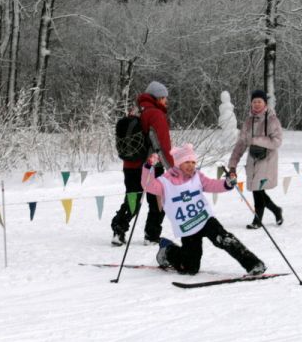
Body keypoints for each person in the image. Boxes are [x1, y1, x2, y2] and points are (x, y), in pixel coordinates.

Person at [142, 145, 266, 276]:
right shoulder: (165, 181)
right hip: (187, 227)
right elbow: (148, 185)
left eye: (193, 162)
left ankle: (254, 264)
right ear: (178, 163)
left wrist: (227, 183)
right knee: (190, 268)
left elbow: (212, 184)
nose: (191, 165)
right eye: (187, 162)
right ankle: (167, 251)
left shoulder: (197, 176)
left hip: (205, 218)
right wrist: (148, 166)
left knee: (225, 239)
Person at [111, 81, 172, 246]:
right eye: (164, 97)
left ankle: (118, 229)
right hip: (151, 166)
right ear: (157, 98)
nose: (166, 101)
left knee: (133, 198)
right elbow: (163, 144)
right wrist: (172, 168)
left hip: (130, 165)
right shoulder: (156, 114)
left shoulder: (135, 110)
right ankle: (151, 235)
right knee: (157, 200)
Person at [228, 89, 284, 229]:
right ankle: (276, 210)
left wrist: (256, 140)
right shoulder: (248, 122)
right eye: (254, 102)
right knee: (258, 190)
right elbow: (241, 144)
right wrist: (233, 164)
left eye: (259, 101)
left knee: (257, 190)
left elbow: (277, 141)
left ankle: (257, 220)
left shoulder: (272, 120)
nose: (257, 104)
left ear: (265, 103)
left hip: (267, 161)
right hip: (253, 160)